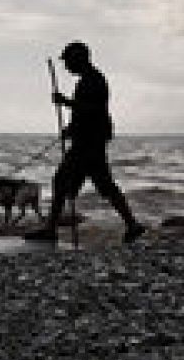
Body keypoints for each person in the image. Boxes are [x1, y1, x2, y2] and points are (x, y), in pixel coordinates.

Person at [26, 41, 145, 244]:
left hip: (89, 145)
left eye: (69, 61)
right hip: (88, 142)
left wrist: (66, 102)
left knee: (63, 181)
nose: (66, 67)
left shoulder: (95, 80)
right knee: (102, 186)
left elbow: (94, 110)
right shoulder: (87, 80)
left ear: (79, 58)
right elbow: (84, 114)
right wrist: (71, 129)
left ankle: (50, 230)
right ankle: (132, 225)